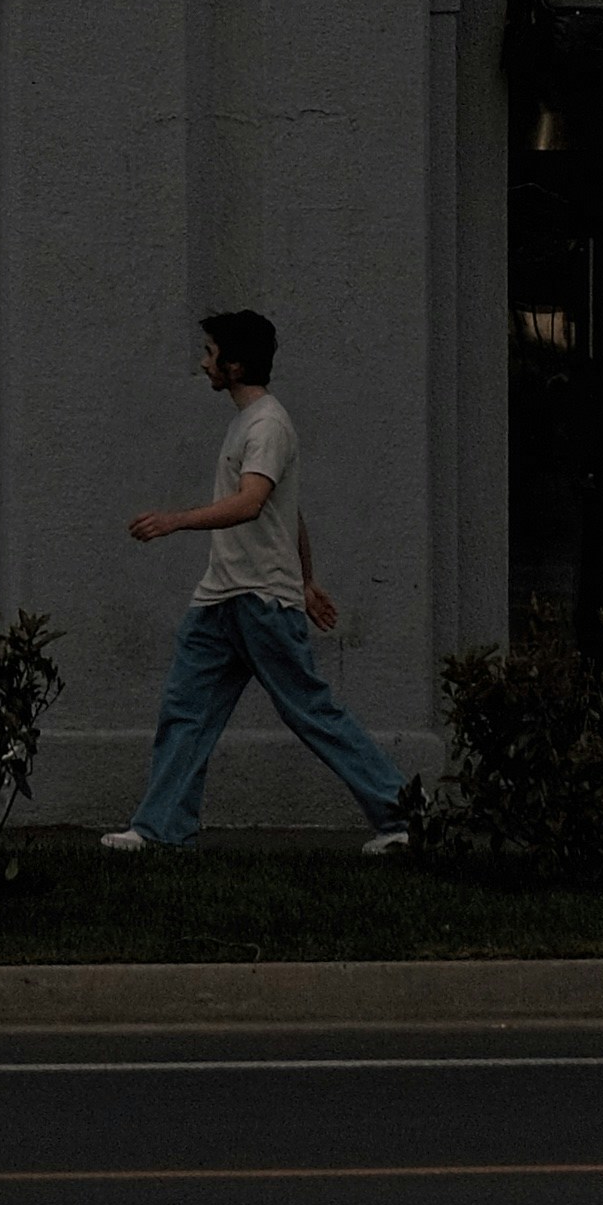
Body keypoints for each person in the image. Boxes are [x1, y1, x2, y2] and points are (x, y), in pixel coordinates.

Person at [102, 307, 420, 857]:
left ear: (236, 363)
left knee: (312, 712)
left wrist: (175, 520)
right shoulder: (245, 424)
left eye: (210, 353)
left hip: (259, 602)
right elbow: (288, 513)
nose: (203, 363)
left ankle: (403, 818)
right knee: (185, 712)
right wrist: (308, 579)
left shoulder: (269, 423)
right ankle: (161, 828)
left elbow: (252, 505)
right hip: (221, 599)